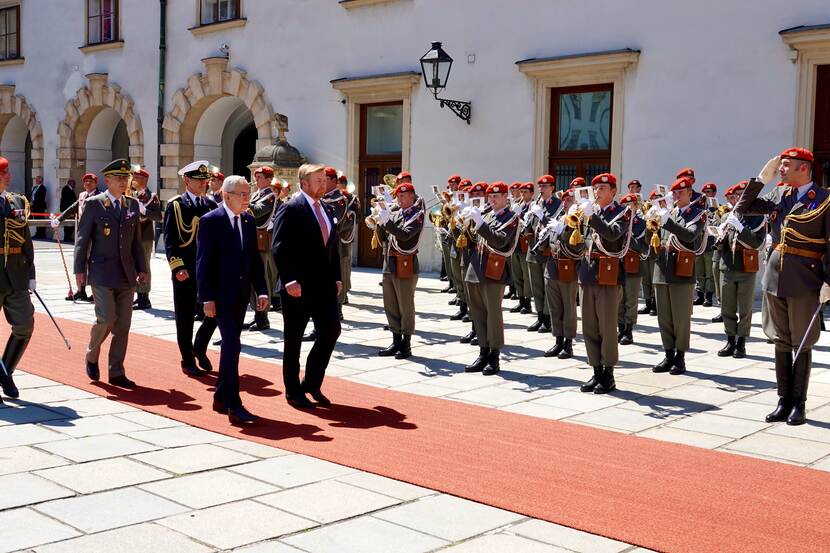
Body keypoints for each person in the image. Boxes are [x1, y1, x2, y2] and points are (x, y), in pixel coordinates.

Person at [736, 148, 830, 425]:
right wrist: (760, 180)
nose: (781, 169)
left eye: (786, 165)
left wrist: (828, 281)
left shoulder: (824, 200)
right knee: (780, 339)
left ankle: (798, 403)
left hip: (805, 277)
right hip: (776, 275)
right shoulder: (779, 194)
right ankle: (782, 399)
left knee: (801, 342)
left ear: (805, 168)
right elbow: (742, 208)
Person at [196, 175, 268, 425]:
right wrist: (206, 298)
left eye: (248, 193)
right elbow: (203, 263)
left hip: (240, 295)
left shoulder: (248, 220)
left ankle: (220, 396)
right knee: (232, 345)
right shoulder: (210, 221)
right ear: (226, 196)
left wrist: (262, 290)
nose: (247, 198)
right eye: (242, 194)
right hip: (219, 295)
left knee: (231, 346)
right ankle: (234, 404)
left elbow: (254, 259)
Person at [272, 163, 342, 409]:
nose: (324, 184)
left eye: (324, 180)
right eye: (318, 180)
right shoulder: (291, 208)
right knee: (294, 340)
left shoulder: (326, 207)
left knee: (331, 330)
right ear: (304, 183)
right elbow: (279, 246)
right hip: (297, 287)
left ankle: (311, 382)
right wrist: (289, 279)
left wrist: (337, 277)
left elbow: (332, 247)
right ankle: (293, 391)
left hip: (323, 285)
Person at [74, 159, 148, 388]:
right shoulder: (95, 204)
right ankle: (91, 354)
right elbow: (82, 239)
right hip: (101, 271)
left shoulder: (132, 205)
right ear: (107, 180)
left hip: (126, 274)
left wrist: (142, 268)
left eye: (126, 178)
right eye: (119, 178)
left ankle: (116, 371)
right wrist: (79, 270)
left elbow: (136, 242)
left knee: (123, 326)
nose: (124, 182)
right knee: (106, 318)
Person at [163, 160, 218, 377]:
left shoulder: (211, 205)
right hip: (186, 268)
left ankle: (200, 346)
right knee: (185, 315)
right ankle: (187, 358)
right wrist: (177, 267)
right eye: (198, 180)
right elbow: (170, 240)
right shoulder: (177, 205)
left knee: (216, 310)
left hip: (208, 269)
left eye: (205, 180)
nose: (204, 183)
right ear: (187, 181)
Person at [574, 173, 628, 394]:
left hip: (608, 275)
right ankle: (596, 370)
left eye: (603, 188)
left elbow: (613, 235)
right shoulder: (589, 213)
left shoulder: (622, 213)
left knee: (606, 326)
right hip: (588, 273)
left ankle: (608, 374)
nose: (597, 192)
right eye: (595, 189)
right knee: (589, 326)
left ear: (614, 191)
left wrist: (592, 217)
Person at [463, 181, 519, 375]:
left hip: (493, 270)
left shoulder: (511, 218)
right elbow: (470, 241)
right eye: (490, 197)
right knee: (477, 313)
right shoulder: (485, 215)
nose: (493, 200)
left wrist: (479, 223)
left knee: (493, 315)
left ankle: (494, 357)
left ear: (506, 197)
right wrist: (461, 224)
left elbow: (500, 240)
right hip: (476, 269)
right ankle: (482, 351)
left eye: (497, 196)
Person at [651, 177, 706, 376]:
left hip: (681, 270)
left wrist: (667, 221)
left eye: (681, 193)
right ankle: (668, 354)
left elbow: (690, 236)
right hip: (663, 268)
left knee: (680, 318)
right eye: (674, 193)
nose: (676, 196)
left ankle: (680, 357)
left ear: (690, 194)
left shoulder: (698, 214)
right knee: (664, 317)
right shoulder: (670, 213)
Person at [715, 181, 765, 358]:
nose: (738, 198)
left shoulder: (757, 217)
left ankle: (741, 342)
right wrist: (719, 236)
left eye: (742, 195)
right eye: (736, 195)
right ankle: (730, 340)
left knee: (745, 308)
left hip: (746, 266)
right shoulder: (727, 216)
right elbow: (721, 245)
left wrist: (741, 228)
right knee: (727, 307)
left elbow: (757, 242)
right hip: (728, 265)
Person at [375, 181, 424, 359]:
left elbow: (404, 235)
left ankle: (406, 343)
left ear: (412, 196)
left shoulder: (417, 216)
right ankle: (396, 340)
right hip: (390, 263)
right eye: (398, 196)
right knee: (390, 304)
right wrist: (379, 223)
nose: (400, 199)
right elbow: (384, 239)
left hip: (406, 264)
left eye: (403, 196)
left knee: (405, 304)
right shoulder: (395, 214)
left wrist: (387, 222)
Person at [0, 157, 35, 401]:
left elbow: (26, 241)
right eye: (3, 173)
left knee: (24, 325)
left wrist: (31, 274)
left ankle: (5, 371)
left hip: (16, 274)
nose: (8, 176)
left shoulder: (17, 201)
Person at [543, 187, 581, 358]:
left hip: (569, 268)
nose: (565, 202)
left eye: (570, 199)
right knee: (555, 307)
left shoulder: (579, 222)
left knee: (568, 307)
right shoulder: (557, 219)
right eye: (564, 199)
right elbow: (549, 242)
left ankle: (568, 343)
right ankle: (558, 340)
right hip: (552, 266)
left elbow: (578, 248)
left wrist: (564, 231)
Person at [523, 175, 561, 333]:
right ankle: (539, 316)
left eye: (544, 187)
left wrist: (542, 216)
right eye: (540, 187)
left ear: (552, 187)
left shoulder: (558, 204)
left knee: (547, 287)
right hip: (533, 250)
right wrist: (526, 220)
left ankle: (547, 318)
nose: (541, 190)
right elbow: (531, 226)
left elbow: (554, 226)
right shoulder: (536, 203)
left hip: (546, 251)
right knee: (536, 286)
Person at [54, 173, 100, 302]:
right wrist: (59, 219)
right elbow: (72, 208)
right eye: (85, 181)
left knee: (94, 263)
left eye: (90, 181)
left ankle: (96, 292)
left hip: (95, 235)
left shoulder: (100, 196)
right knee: (79, 261)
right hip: (82, 234)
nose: (88, 184)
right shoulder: (82, 196)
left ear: (96, 183)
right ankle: (81, 290)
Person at [245, 166, 279, 331]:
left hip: (262, 240)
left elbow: (258, 211)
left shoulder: (270, 196)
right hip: (253, 239)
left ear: (268, 179)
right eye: (255, 177)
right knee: (252, 278)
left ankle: (263, 316)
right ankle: (256, 313)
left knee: (261, 276)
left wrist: (243, 202)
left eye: (259, 177)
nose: (256, 180)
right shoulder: (256, 195)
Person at [617, 192, 648, 345]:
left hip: (633, 264)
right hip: (618, 264)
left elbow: (644, 248)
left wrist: (629, 238)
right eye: (625, 205)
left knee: (631, 299)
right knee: (618, 299)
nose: (628, 208)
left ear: (637, 206)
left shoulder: (642, 224)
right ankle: (620, 327)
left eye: (631, 205)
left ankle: (628, 331)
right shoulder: (618, 221)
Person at [131, 167, 162, 310]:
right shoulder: (133, 194)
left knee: (144, 266)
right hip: (133, 236)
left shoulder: (151, 196)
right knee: (135, 265)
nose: (133, 180)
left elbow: (158, 216)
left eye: (136, 177)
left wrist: (144, 210)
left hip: (144, 236)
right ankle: (138, 295)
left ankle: (145, 297)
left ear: (144, 179)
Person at [336, 174, 360, 309]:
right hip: (333, 238)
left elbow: (359, 217)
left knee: (344, 266)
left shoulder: (352, 199)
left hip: (345, 237)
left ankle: (343, 294)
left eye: (339, 184)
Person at [510, 182, 533, 314]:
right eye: (522, 192)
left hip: (525, 244)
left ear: (531, 193)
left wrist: (521, 216)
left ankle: (527, 303)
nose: (523, 195)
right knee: (517, 274)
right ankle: (520, 299)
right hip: (515, 244)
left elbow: (530, 224)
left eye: (525, 192)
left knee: (526, 275)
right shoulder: (519, 205)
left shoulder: (534, 206)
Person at [694, 181, 718, 307]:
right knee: (699, 271)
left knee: (709, 273)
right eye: (705, 192)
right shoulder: (699, 208)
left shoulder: (718, 208)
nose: (707, 194)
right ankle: (700, 295)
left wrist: (714, 213)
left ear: (714, 193)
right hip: (699, 244)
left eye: (709, 192)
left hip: (709, 244)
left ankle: (708, 296)